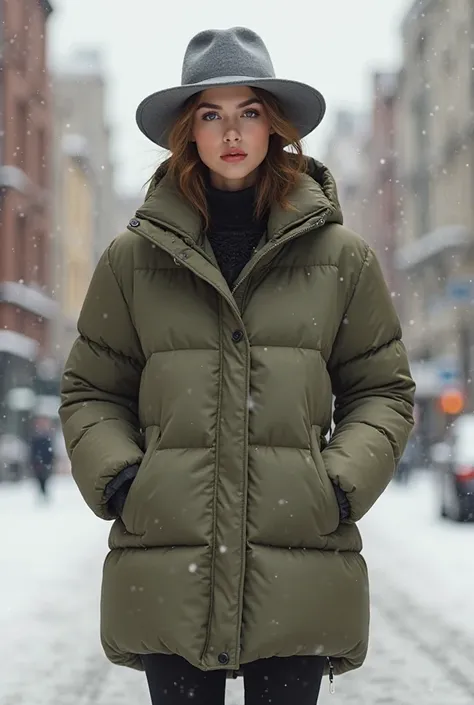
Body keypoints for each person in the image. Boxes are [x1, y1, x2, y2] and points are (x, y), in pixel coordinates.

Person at [59, 27, 415, 705]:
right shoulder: (133, 262)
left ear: (273, 126)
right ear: (186, 131)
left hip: (297, 557)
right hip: (171, 554)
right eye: (211, 114)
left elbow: (382, 391)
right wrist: (126, 481)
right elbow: (90, 391)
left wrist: (335, 484)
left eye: (248, 112)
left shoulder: (342, 259)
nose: (232, 131)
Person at [30, 416, 54, 499]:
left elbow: (49, 451)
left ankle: (44, 493)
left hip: (45, 461)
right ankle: (43, 493)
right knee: (40, 479)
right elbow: (33, 451)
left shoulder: (46, 437)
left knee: (44, 478)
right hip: (38, 462)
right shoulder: (36, 438)